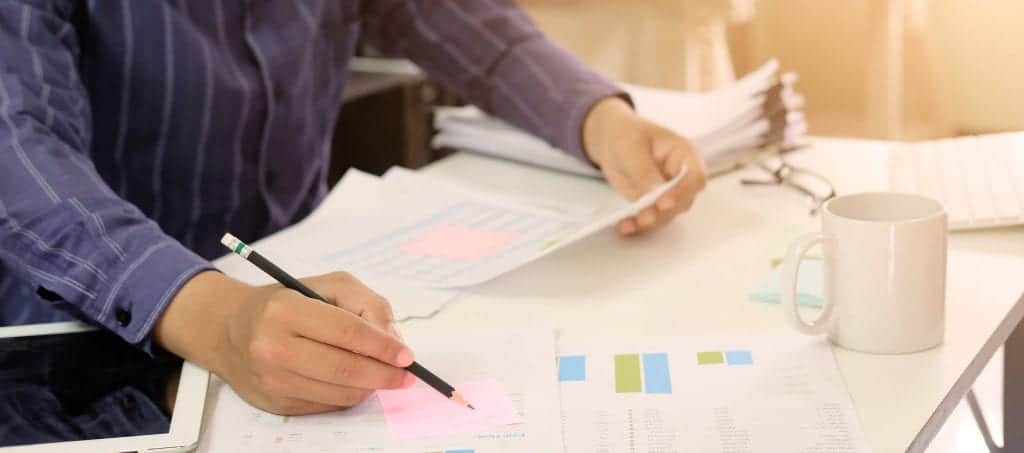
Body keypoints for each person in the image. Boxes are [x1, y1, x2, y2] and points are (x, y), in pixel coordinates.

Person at [0, 1, 706, 416]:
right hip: (80, 353)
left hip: (306, 304)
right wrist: (214, 316)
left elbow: (453, 18)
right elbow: (16, 142)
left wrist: (599, 119)